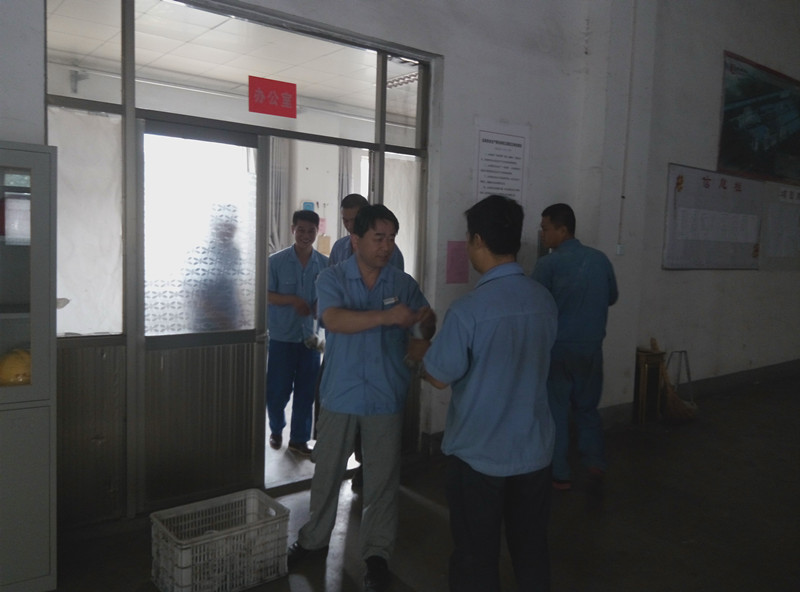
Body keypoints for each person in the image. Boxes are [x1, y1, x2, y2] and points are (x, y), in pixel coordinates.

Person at [287, 204, 435, 592]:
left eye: (391, 239)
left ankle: (376, 554)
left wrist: (424, 331)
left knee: (382, 479)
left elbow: (425, 318)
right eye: (378, 238)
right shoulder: (331, 277)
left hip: (386, 392)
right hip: (341, 391)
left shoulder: (402, 283)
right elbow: (334, 319)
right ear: (356, 239)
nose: (386, 246)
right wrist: (387, 318)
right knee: (327, 472)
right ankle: (313, 539)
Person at [422, 195, 558, 592]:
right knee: (531, 550)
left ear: (478, 240)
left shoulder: (469, 310)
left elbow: (438, 376)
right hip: (533, 451)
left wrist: (419, 352)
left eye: (469, 238)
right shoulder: (543, 300)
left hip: (479, 456)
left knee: (475, 556)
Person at [532, 202, 618, 491]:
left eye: (546, 229)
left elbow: (535, 305)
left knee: (556, 411)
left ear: (562, 230)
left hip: (558, 351)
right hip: (591, 350)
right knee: (587, 408)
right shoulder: (600, 260)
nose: (542, 234)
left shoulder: (548, 265)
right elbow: (612, 297)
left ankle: (560, 474)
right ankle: (595, 462)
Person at [266, 209, 329, 455]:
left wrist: (320, 304)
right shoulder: (275, 262)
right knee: (277, 390)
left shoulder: (325, 264)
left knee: (306, 391)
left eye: (311, 231)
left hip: (312, 339)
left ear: (317, 231)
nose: (305, 235)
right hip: (282, 337)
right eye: (300, 230)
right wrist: (292, 300)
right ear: (293, 229)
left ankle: (299, 440)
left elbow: (330, 295)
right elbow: (266, 295)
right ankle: (276, 428)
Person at [329, 193, 405, 270]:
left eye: (354, 220)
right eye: (345, 221)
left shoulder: (390, 252)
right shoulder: (339, 247)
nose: (349, 226)